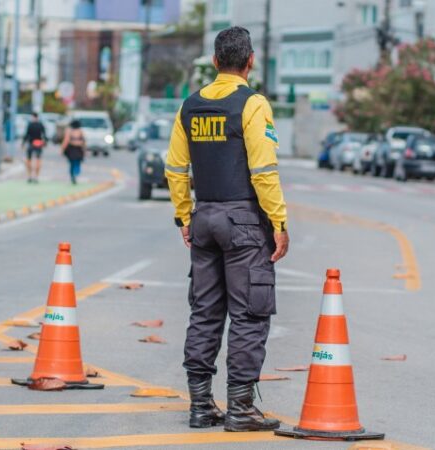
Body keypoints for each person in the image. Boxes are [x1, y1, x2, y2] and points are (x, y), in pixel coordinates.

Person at [165, 26, 289, 432]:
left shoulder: (190, 105)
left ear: (216, 62)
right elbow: (264, 170)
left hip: (205, 219)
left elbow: (174, 168)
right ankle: (240, 408)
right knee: (250, 314)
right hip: (245, 223)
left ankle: (201, 405)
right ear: (249, 61)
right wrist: (280, 223)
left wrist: (184, 216)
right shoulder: (252, 104)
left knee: (205, 311)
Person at [23, 112, 47, 183]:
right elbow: (44, 135)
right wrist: (45, 143)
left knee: (28, 160)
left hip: (31, 144)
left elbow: (26, 135)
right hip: (39, 144)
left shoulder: (30, 125)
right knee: (38, 160)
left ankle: (30, 176)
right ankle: (36, 176)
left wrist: (23, 143)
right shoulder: (41, 125)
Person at [61, 119, 85, 184]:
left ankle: (72, 176)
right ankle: (76, 174)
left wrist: (62, 149)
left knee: (71, 164)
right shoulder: (81, 131)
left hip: (71, 149)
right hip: (79, 149)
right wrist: (84, 150)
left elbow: (66, 141)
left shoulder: (69, 131)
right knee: (77, 163)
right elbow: (84, 142)